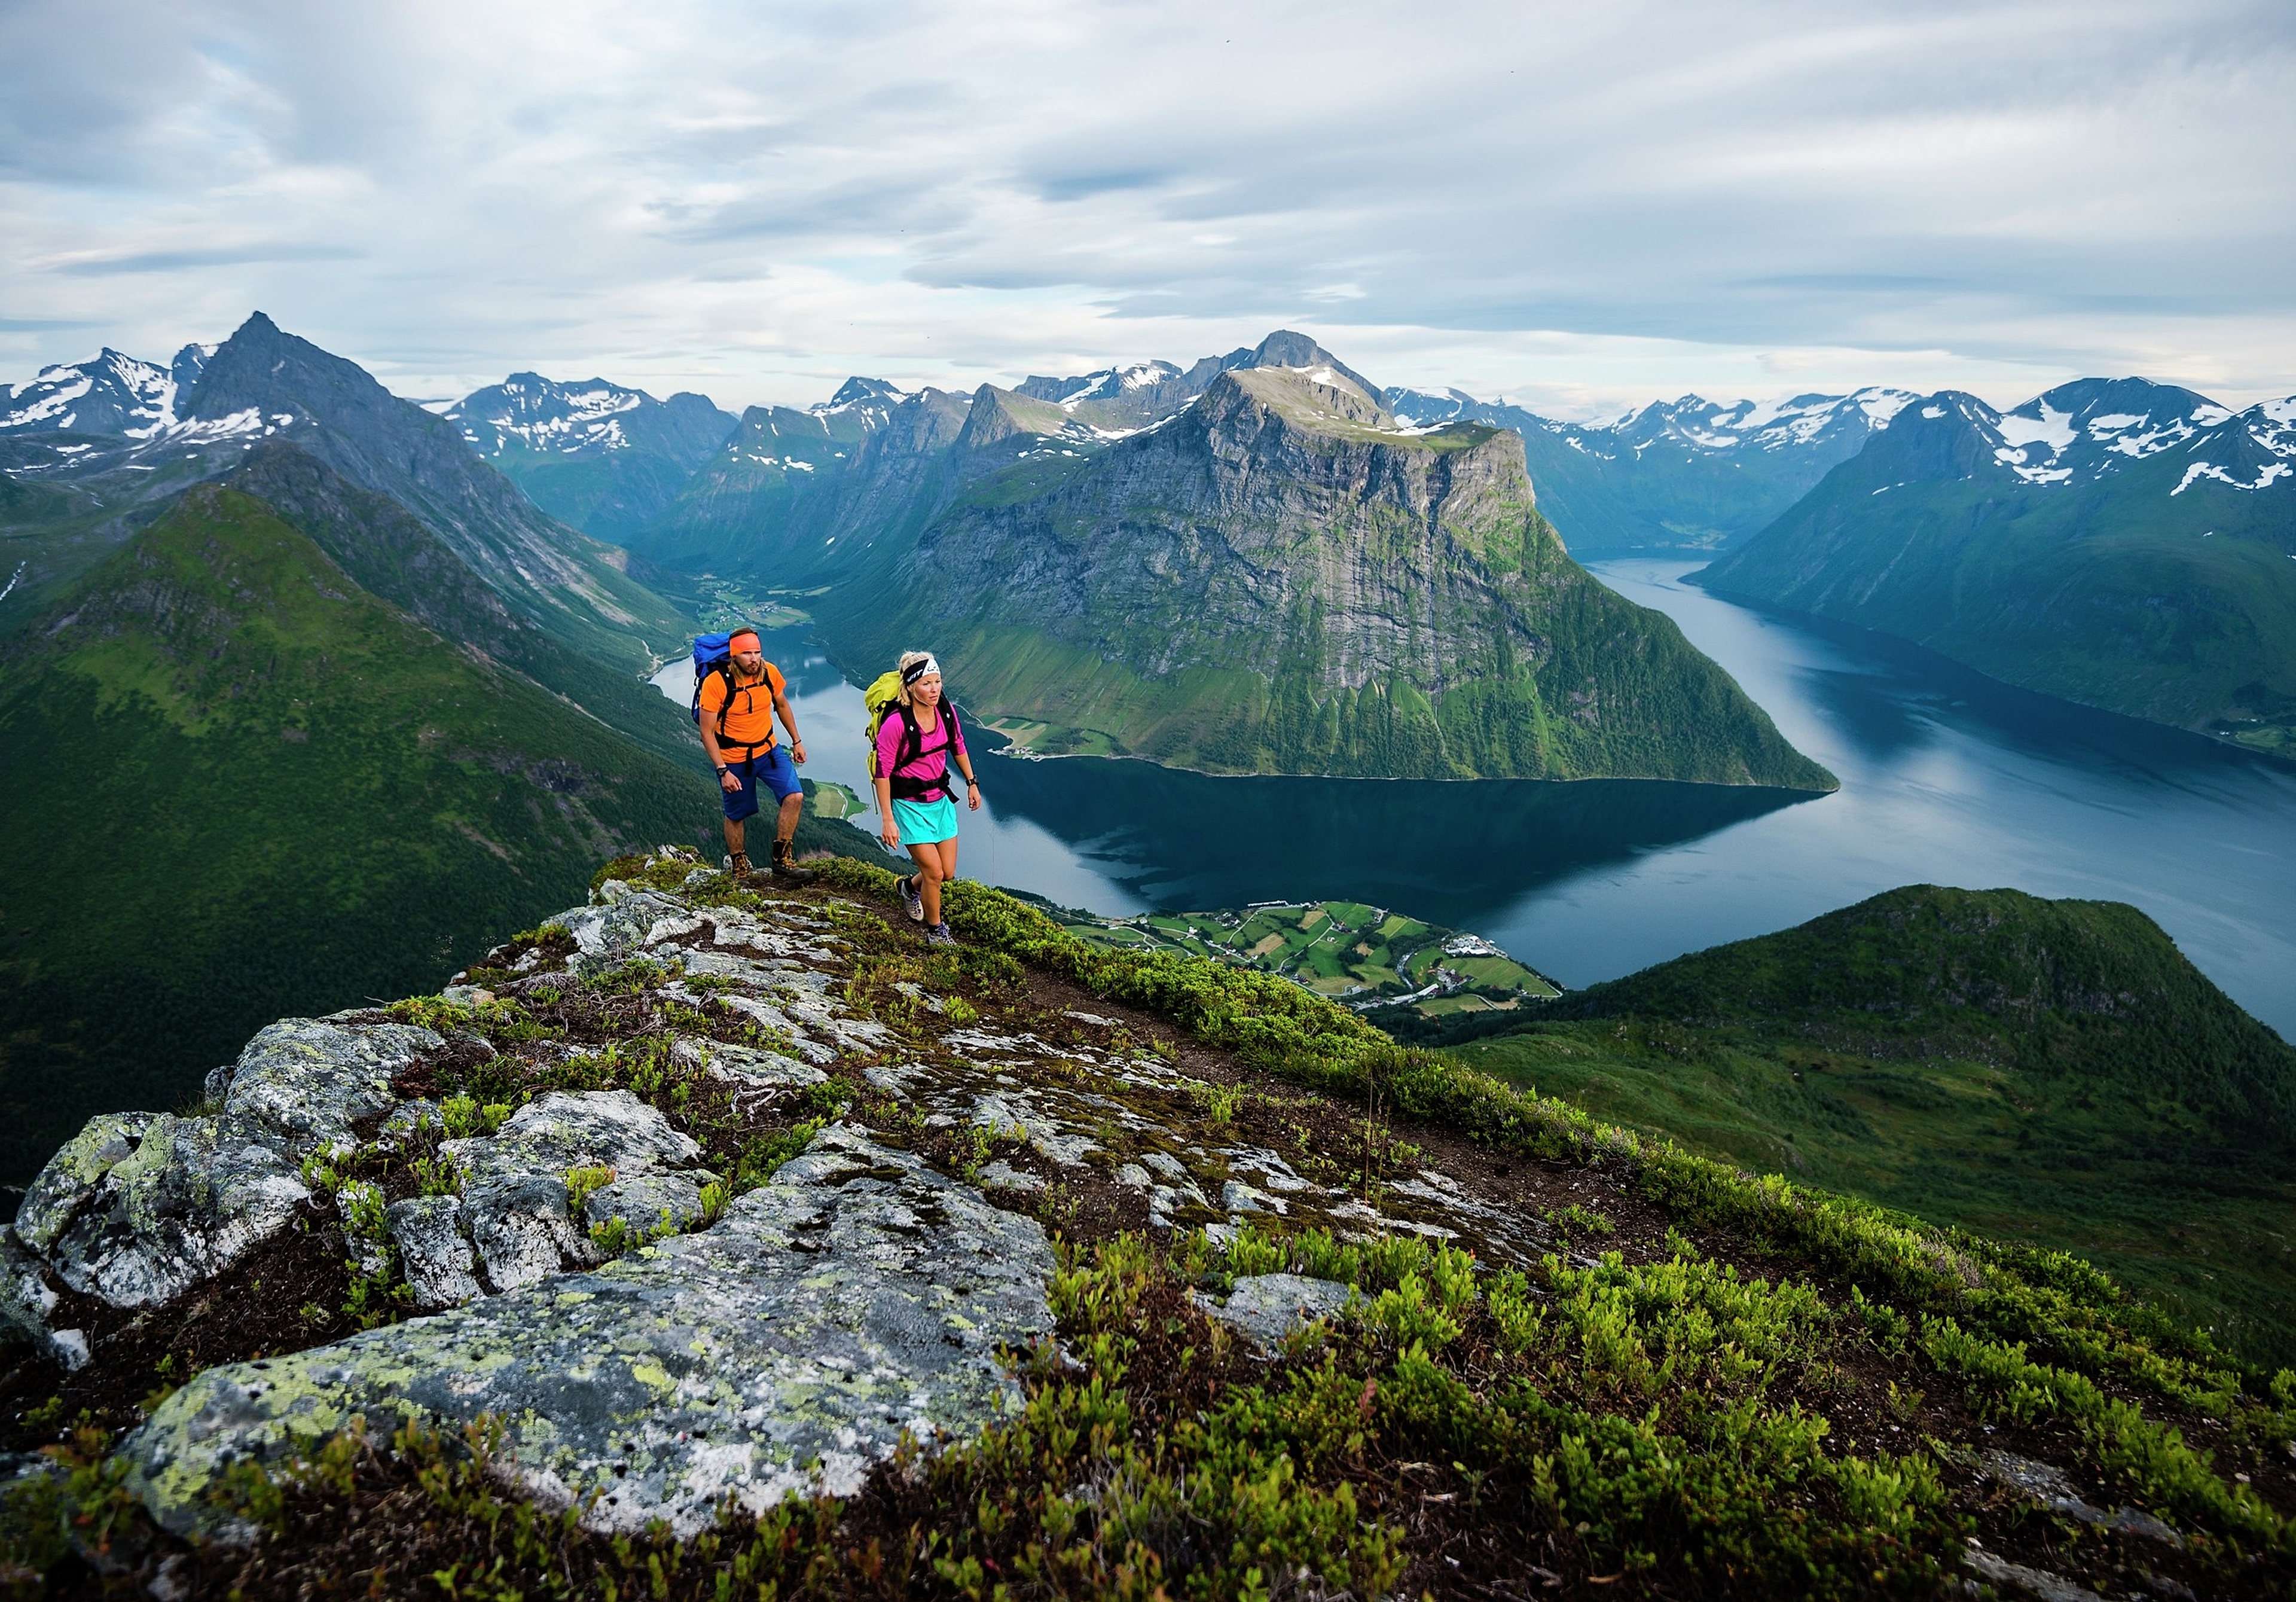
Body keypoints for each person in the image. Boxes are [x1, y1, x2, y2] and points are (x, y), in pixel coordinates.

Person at [872, 651, 980, 946]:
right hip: (908, 805)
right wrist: (887, 819)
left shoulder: (946, 711)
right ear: (909, 686)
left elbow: (957, 745)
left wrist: (972, 782)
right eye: (926, 684)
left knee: (947, 873)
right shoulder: (895, 724)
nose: (934, 690)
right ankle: (936, 932)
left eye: (938, 682)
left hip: (940, 800)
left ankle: (908, 887)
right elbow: (882, 773)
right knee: (933, 872)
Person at [698, 627, 814, 882]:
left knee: (794, 796)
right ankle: (739, 863)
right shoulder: (717, 683)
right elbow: (706, 732)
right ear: (734, 656)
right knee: (737, 814)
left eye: (758, 652)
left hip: (769, 750)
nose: (754, 659)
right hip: (734, 759)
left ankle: (782, 860)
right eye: (747, 653)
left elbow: (782, 704)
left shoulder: (769, 673)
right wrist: (723, 770)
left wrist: (797, 741)